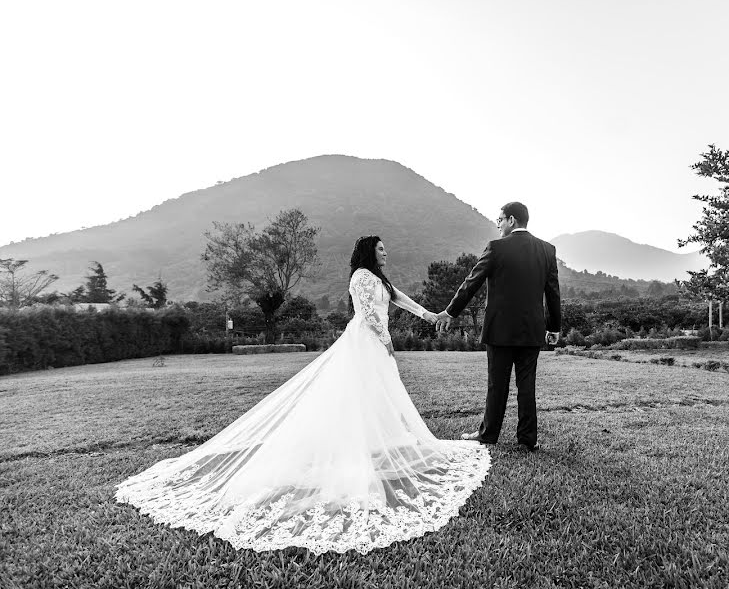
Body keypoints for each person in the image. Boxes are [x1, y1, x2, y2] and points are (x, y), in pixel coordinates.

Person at [115, 236, 491, 554]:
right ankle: (350, 448)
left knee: (376, 396)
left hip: (376, 344)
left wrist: (432, 315)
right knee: (357, 393)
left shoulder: (380, 278)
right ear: (367, 252)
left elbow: (401, 301)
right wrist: (388, 340)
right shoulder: (360, 277)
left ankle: (378, 443)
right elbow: (369, 314)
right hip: (365, 342)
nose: (386, 252)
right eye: (381, 248)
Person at [435, 202, 561, 452]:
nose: (498, 224)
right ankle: (527, 440)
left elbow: (471, 282)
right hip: (531, 330)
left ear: (512, 220)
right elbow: (553, 292)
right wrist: (554, 327)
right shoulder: (547, 250)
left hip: (499, 330)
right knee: (527, 386)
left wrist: (450, 311)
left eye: (500, 219)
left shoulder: (496, 248)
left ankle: (488, 435)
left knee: (497, 385)